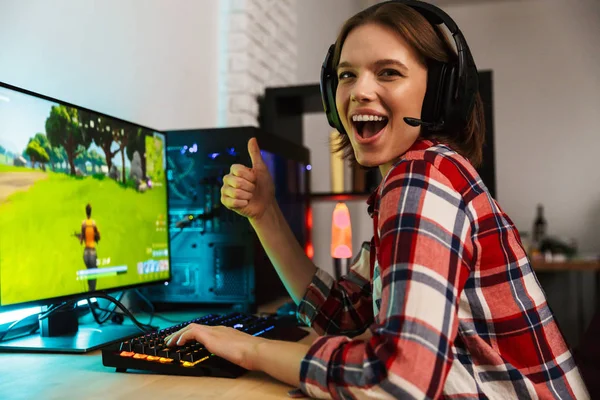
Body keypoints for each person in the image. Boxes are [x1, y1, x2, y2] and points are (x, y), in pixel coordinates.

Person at [165, 1, 590, 398]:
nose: (360, 91)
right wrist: (265, 214)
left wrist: (248, 351)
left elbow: (396, 380)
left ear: (439, 92)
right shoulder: (410, 182)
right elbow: (343, 316)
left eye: (388, 72)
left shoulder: (423, 180)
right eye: (347, 75)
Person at [80, 203, 101, 292]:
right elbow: (99, 236)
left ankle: (89, 294)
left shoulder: (83, 223)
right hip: (92, 253)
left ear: (86, 212)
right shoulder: (93, 223)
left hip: (85, 254)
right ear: (90, 212)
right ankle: (91, 295)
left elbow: (82, 239)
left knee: (90, 275)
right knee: (93, 279)